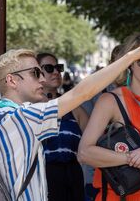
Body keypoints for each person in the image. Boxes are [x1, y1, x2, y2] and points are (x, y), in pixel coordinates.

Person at [0, 33, 140, 200]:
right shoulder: (20, 118)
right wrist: (131, 56)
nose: (42, 78)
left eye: (41, 71)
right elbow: (81, 93)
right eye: (34, 73)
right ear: (11, 80)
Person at [78, 33, 140, 201]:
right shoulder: (110, 101)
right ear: (130, 64)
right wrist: (135, 159)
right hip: (120, 196)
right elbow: (84, 153)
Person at [37, 53, 88, 201]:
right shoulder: (31, 107)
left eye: (58, 68)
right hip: (44, 175)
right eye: (49, 68)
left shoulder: (74, 106)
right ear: (37, 72)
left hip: (73, 174)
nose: (56, 72)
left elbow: (94, 139)